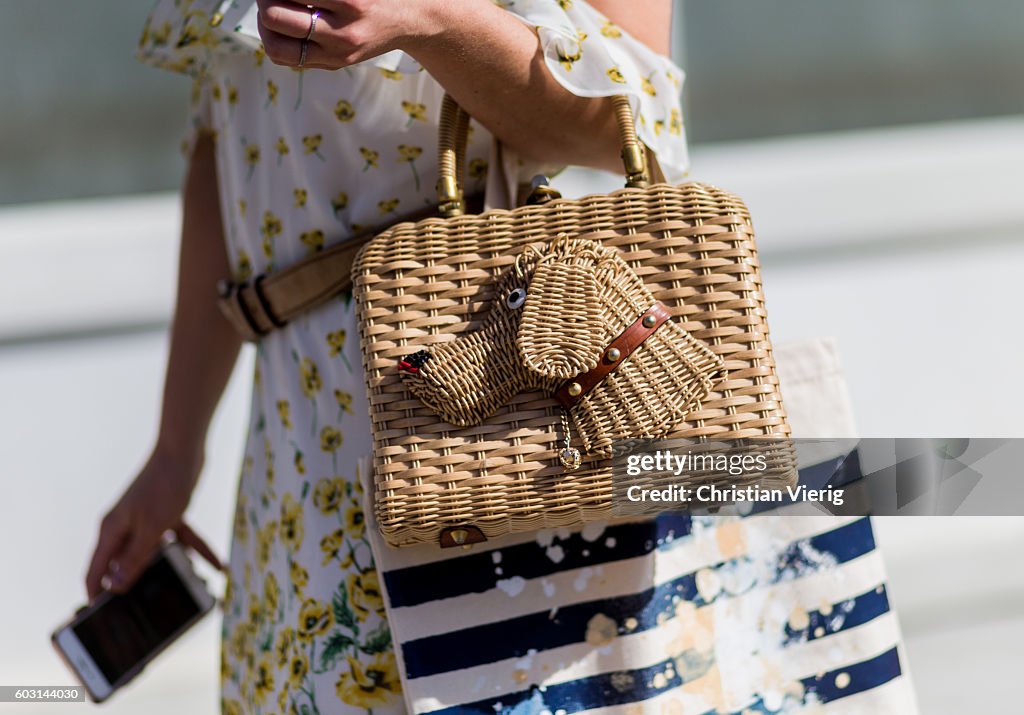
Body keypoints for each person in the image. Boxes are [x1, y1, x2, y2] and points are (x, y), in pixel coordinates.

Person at [86, 0, 917, 712]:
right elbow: (221, 149)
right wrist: (175, 445)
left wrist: (430, 19)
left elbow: (626, 123)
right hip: (305, 461)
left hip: (520, 421)